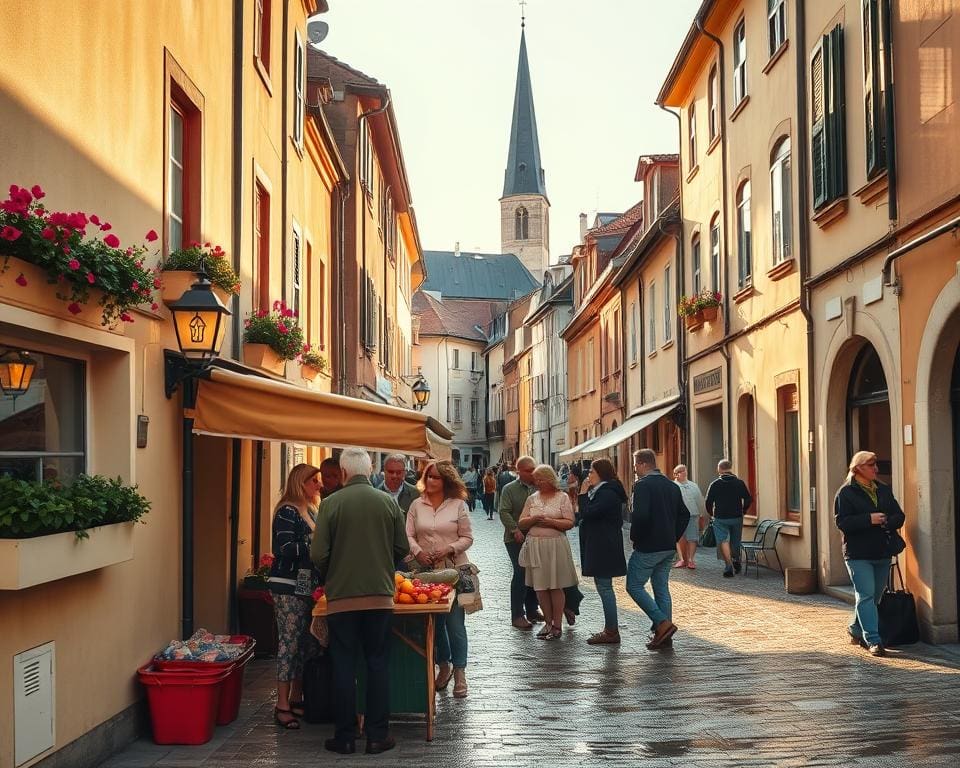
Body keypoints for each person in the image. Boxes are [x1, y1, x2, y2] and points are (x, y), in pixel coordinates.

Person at [311, 448, 409, 755]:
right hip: (380, 596)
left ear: (343, 472)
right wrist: (382, 565)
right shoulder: (387, 502)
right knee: (377, 664)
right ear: (371, 471)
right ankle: (378, 735)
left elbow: (318, 554)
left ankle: (345, 736)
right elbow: (401, 547)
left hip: (342, 597)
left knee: (343, 665)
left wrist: (333, 573)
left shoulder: (331, 503)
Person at [406, 460, 474, 697]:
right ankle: (443, 665)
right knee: (436, 624)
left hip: (456, 570)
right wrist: (418, 552)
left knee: (456, 624)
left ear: (446, 481)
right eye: (429, 476)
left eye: (436, 477)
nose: (431, 481)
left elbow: (467, 537)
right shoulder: (417, 504)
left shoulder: (458, 505)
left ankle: (460, 673)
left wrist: (450, 548)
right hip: (426, 571)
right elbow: (409, 535)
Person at [267, 463, 323, 729]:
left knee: (304, 642)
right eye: (314, 481)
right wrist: (316, 543)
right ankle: (282, 704)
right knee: (289, 642)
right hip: (287, 584)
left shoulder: (310, 509)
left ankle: (296, 696)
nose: (319, 485)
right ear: (301, 483)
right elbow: (284, 547)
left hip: (304, 585)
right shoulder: (287, 511)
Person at [834, 450, 906, 657]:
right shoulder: (846, 492)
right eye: (871, 465)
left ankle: (855, 629)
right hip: (858, 554)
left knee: (874, 597)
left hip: (883, 550)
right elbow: (842, 523)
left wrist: (887, 520)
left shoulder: (883, 489)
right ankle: (873, 639)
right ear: (857, 468)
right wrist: (869, 519)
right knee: (865, 596)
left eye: (876, 464)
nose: (876, 468)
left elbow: (899, 515)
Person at [627, 449, 689, 650]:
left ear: (644, 464)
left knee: (634, 586)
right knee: (661, 588)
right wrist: (673, 535)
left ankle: (662, 623)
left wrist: (635, 537)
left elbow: (641, 516)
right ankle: (665, 636)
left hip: (649, 546)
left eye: (636, 465)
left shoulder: (643, 486)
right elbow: (685, 515)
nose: (635, 469)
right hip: (667, 547)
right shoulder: (672, 486)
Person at [517, 464, 579, 640]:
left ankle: (557, 625)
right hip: (536, 545)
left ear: (550, 479)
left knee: (555, 585)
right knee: (540, 587)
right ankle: (548, 622)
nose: (537, 483)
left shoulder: (562, 497)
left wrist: (552, 522)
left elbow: (569, 522)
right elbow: (521, 522)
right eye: (536, 480)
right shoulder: (532, 498)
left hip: (555, 546)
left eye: (540, 479)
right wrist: (533, 519)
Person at [577, 458, 628, 645]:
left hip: (604, 546)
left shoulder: (607, 493)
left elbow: (588, 513)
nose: (588, 475)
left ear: (601, 473)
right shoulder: (603, 491)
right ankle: (610, 629)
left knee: (605, 588)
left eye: (591, 471)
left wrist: (582, 494)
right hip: (601, 544)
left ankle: (611, 631)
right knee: (603, 587)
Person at [499, 456, 544, 628]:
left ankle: (532, 609)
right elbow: (504, 511)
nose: (532, 473)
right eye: (528, 470)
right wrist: (514, 530)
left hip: (535, 537)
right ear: (519, 471)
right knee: (520, 573)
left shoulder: (539, 488)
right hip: (514, 539)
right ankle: (517, 615)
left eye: (534, 469)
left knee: (533, 572)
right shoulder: (509, 489)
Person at [705, 459, 753, 577]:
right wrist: (744, 510)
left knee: (723, 541)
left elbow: (708, 502)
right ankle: (736, 560)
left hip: (720, 517)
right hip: (736, 516)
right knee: (735, 540)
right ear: (730, 468)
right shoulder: (739, 483)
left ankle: (728, 566)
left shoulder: (715, 484)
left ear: (719, 469)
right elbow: (748, 498)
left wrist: (711, 513)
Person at [673, 464, 707, 569]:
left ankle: (691, 560)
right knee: (679, 538)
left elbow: (699, 501)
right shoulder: (672, 486)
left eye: (685, 471)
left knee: (692, 538)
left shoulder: (693, 486)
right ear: (676, 474)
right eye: (681, 471)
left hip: (693, 515)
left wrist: (701, 514)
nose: (684, 473)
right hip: (677, 517)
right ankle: (682, 559)